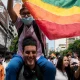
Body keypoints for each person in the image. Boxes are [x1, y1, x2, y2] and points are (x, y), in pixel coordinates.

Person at [6, 0, 56, 80]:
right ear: (20, 15)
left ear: (32, 13)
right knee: (11, 67)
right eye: (23, 13)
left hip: (38, 55)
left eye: (28, 13)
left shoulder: (39, 24)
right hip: (20, 55)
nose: (26, 16)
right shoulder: (19, 24)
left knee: (51, 68)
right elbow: (9, 10)